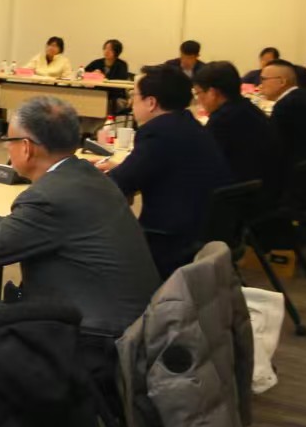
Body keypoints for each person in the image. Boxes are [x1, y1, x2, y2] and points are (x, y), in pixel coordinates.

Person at [0, 95, 160, 357]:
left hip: (95, 341)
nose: (7, 148)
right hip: (129, 325)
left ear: (26, 148)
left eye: (8, 140)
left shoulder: (48, 198)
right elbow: (25, 229)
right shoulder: (87, 176)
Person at [97, 66, 233, 276]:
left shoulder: (157, 132)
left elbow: (118, 183)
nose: (131, 102)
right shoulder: (188, 124)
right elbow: (152, 169)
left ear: (151, 102)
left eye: (134, 95)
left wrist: (87, 174)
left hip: (169, 240)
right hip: (203, 233)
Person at [194, 60, 286, 211]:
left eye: (199, 93)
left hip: (242, 200)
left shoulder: (221, 121)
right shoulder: (250, 109)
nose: (199, 99)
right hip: (269, 191)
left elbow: (207, 166)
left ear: (212, 93)